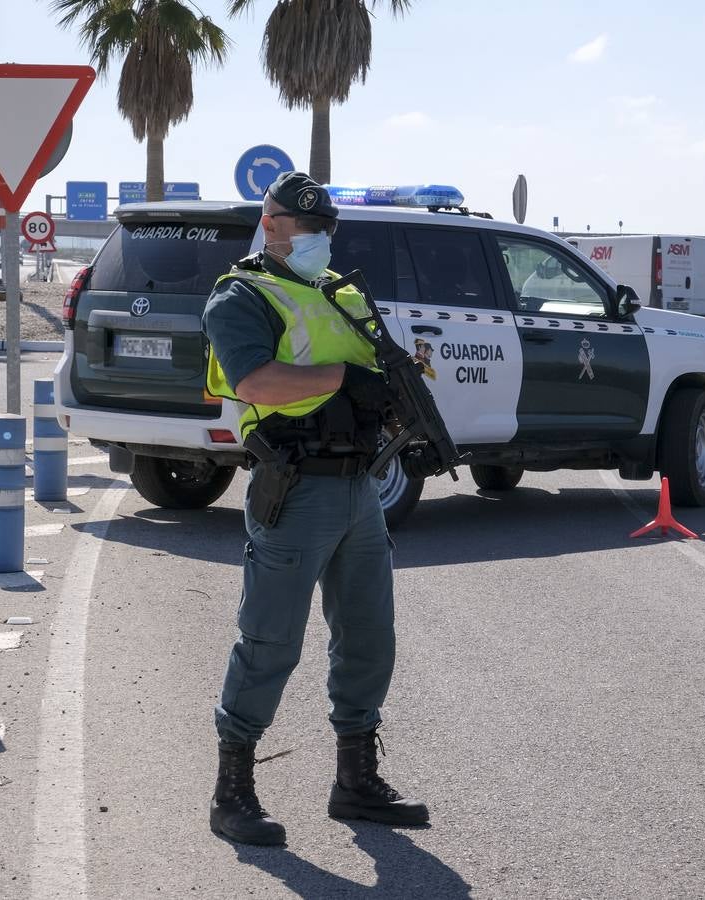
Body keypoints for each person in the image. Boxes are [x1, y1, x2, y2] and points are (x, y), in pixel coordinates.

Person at [202, 172, 429, 846]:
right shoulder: (240, 295)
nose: (317, 240)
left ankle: (355, 781)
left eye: (324, 229)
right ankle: (232, 791)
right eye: (306, 229)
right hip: (296, 486)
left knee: (369, 637)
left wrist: (393, 389)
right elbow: (254, 381)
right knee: (270, 640)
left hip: (360, 487)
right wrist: (344, 380)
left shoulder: (342, 293)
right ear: (271, 224)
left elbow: (375, 369)